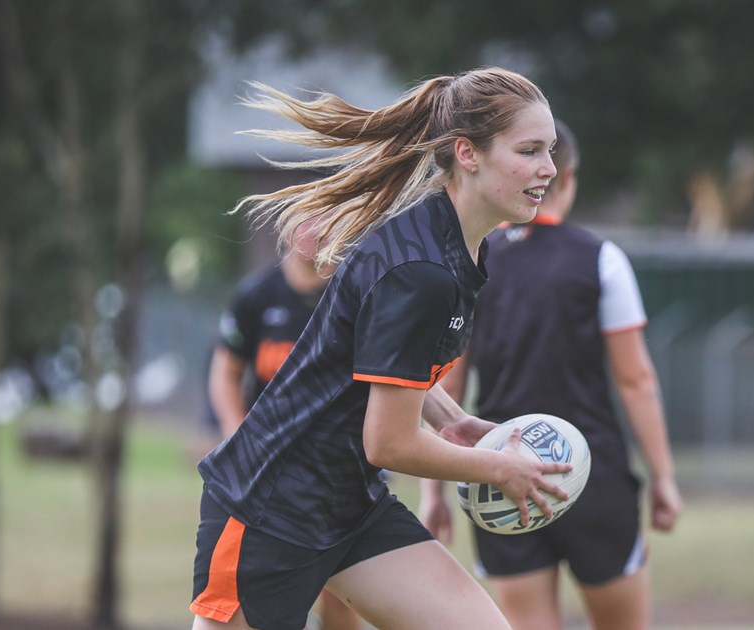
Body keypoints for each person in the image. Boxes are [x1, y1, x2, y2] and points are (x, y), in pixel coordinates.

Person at [190, 67, 570, 630]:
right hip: (269, 512)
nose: (550, 169)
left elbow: (377, 363)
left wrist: (455, 420)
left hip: (349, 508)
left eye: (551, 150)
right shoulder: (423, 271)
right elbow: (388, 441)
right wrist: (497, 468)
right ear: (468, 153)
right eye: (530, 150)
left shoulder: (449, 245)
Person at [427, 119, 683, 630]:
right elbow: (636, 381)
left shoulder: (472, 262)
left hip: (501, 474)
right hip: (595, 478)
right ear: (567, 180)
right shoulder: (601, 260)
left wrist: (436, 493)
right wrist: (663, 478)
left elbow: (446, 385)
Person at [205, 243, 361, 629]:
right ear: (287, 224)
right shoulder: (257, 295)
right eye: (304, 216)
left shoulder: (352, 293)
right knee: (262, 593)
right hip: (270, 472)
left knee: (342, 595)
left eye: (323, 216)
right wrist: (237, 437)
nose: (313, 229)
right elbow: (224, 372)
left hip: (337, 467)